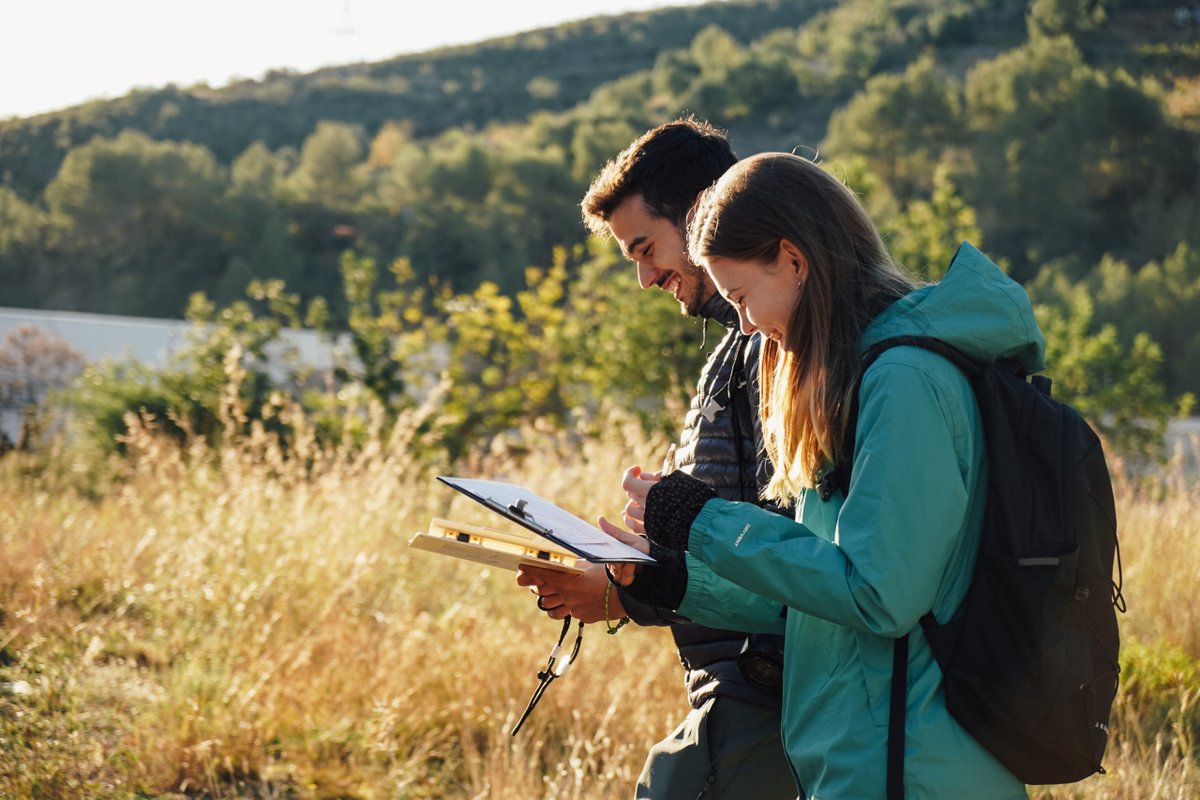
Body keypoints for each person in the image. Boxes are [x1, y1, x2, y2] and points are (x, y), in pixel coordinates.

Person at [603, 152, 1033, 799]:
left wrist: (704, 518)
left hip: (916, 771)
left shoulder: (905, 381)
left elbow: (877, 595)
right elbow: (812, 600)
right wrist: (670, 577)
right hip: (864, 763)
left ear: (794, 259)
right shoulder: (855, 378)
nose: (745, 325)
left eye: (743, 297)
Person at [516, 120, 798, 799]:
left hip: (766, 705)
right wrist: (626, 576)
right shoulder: (742, 353)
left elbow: (792, 559)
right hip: (743, 701)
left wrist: (623, 589)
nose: (644, 279)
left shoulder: (784, 354)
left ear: (704, 212)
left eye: (646, 248)